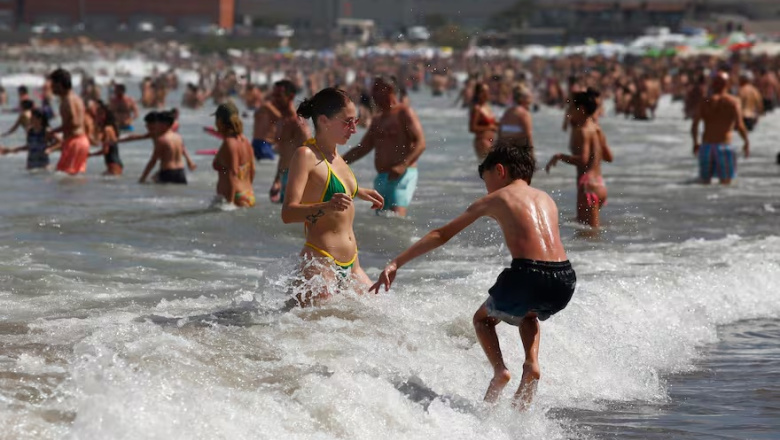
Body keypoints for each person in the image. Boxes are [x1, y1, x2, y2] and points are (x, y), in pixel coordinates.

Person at [370, 139, 576, 410]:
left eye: (487, 179)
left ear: (500, 171)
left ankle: (500, 371)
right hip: (565, 279)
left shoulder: (497, 198)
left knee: (482, 320)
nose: (486, 187)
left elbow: (441, 234)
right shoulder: (546, 199)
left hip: (528, 274)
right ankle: (531, 364)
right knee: (529, 313)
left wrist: (396, 262)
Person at [281, 88, 384, 306]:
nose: (354, 129)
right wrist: (327, 206)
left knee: (382, 315)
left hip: (353, 264)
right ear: (324, 121)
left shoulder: (337, 157)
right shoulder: (305, 156)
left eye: (355, 120)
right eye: (347, 122)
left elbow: (333, 188)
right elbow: (288, 213)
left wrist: (360, 192)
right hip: (320, 264)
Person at [343, 77, 426, 217]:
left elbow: (421, 143)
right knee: (382, 222)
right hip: (382, 177)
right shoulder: (377, 119)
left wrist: (403, 165)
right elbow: (362, 148)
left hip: (402, 175)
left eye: (376, 89)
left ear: (389, 90)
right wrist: (336, 162)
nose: (372, 94)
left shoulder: (404, 113)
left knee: (396, 218)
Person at [545, 89, 614, 228]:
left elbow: (583, 159)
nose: (569, 112)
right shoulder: (597, 129)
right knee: (589, 231)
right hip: (599, 185)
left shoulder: (582, 131)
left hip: (588, 187)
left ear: (581, 109)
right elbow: (608, 157)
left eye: (571, 108)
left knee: (588, 235)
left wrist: (559, 157)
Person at [691, 71, 749, 185]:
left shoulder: (706, 101)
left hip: (706, 147)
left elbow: (695, 124)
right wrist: (746, 141)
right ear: (727, 84)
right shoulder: (732, 101)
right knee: (726, 184)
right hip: (724, 146)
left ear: (712, 84)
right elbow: (739, 125)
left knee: (704, 184)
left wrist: (695, 143)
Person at [269, 80, 310, 203]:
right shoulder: (282, 121)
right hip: (285, 177)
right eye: (274, 95)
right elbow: (285, 153)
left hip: (296, 179)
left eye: (279, 96)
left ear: (290, 96)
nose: (275, 99)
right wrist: (277, 180)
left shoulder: (298, 123)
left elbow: (312, 154)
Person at [46, 68, 90, 175]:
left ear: (60, 84)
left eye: (53, 85)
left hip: (74, 142)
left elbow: (74, 123)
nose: (51, 88)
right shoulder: (76, 98)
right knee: (72, 178)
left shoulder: (68, 100)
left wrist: (53, 132)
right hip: (82, 141)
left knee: (65, 176)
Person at [211, 102, 256, 207]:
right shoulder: (245, 141)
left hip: (234, 198)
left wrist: (230, 204)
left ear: (219, 121)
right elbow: (252, 170)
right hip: (248, 194)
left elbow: (233, 173)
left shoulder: (229, 143)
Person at [139, 111, 196, 184]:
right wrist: (189, 161)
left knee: (161, 194)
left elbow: (153, 161)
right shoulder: (178, 137)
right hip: (181, 173)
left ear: (163, 125)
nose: (155, 125)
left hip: (167, 173)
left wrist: (143, 177)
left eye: (157, 123)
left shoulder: (161, 140)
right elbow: (183, 150)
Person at [88, 101, 123, 175]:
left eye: (100, 114)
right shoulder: (109, 128)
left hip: (113, 165)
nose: (97, 116)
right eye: (97, 113)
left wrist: (90, 155)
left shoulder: (107, 129)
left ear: (106, 115)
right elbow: (97, 142)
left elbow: (105, 150)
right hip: (114, 164)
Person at [469, 82, 498, 159]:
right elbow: (472, 128)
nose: (486, 94)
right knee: (488, 166)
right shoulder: (477, 109)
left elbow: (492, 123)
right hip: (482, 141)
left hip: (492, 139)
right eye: (483, 91)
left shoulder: (487, 107)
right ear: (478, 94)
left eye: (487, 91)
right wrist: (489, 127)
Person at [252, 89, 282, 161]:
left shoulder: (264, 108)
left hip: (260, 142)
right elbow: (281, 118)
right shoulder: (267, 107)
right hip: (263, 143)